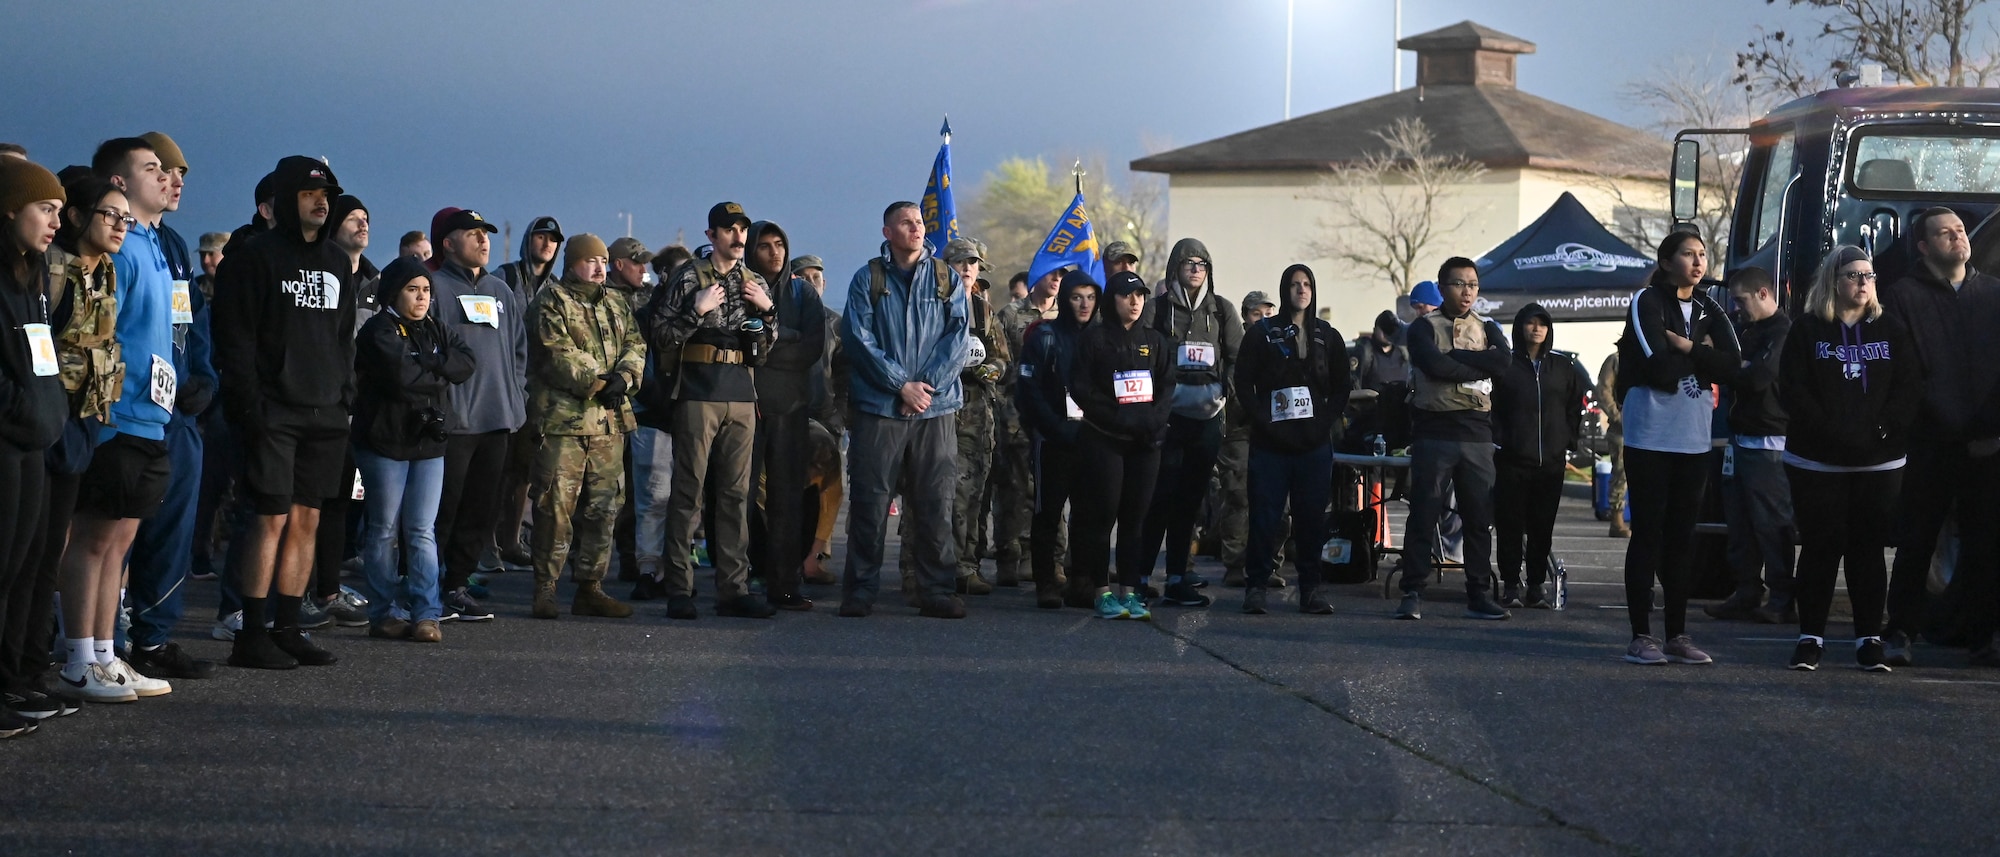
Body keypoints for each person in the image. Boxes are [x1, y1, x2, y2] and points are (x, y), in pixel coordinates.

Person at [210, 155, 357, 669]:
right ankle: (251, 633)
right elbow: (235, 342)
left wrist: (344, 396)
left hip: (325, 413)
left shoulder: (340, 262)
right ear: (286, 199)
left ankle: (289, 627)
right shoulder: (254, 258)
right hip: (272, 413)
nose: (321, 202)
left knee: (307, 519)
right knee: (268, 520)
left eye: (327, 195)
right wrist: (250, 408)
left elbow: (343, 340)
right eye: (310, 194)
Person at [1777, 246, 1920, 671]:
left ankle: (1868, 640)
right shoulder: (1807, 331)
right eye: (1854, 275)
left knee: (1868, 551)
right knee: (1820, 548)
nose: (1863, 283)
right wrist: (1830, 430)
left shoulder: (1891, 330)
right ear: (1833, 282)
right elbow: (1793, 390)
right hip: (1817, 461)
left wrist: (1883, 428)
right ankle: (1810, 639)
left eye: (1869, 275)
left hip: (1878, 462)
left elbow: (1908, 388)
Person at [836, 201, 969, 619]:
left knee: (934, 503)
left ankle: (937, 590)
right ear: (887, 231)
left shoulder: (946, 278)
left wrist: (925, 388)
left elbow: (958, 336)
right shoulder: (868, 279)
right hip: (880, 410)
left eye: (919, 222)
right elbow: (858, 340)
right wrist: (900, 385)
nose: (916, 229)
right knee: (870, 504)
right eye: (906, 223)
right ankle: (860, 591)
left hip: (935, 409)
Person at [1879, 207, 2000, 666]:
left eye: (1961, 230)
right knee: (1918, 540)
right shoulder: (1903, 297)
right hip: (1931, 442)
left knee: (1987, 541)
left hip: (1990, 446)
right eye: (1944, 233)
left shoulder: (1993, 294)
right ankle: (1900, 631)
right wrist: (1951, 429)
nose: (1958, 237)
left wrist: (1990, 431)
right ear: (1924, 246)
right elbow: (1907, 373)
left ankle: (1984, 635)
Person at [1613, 231, 1741, 665]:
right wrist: (1702, 354)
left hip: (1693, 437)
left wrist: (1686, 345)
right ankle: (1640, 636)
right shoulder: (1647, 301)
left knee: (1682, 538)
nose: (1698, 261)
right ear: (1667, 261)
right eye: (1688, 254)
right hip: (1651, 433)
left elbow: (1734, 365)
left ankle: (1678, 635)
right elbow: (1659, 369)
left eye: (1702, 254)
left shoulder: (1710, 305)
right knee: (1649, 532)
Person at [645, 203, 778, 620]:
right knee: (688, 491)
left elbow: (766, 347)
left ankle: (732, 588)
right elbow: (662, 336)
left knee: (737, 495)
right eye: (728, 229)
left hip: (740, 391)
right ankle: (679, 587)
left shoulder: (753, 280)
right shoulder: (689, 276)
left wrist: (768, 310)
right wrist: (695, 310)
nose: (738, 236)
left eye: (742, 229)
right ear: (711, 234)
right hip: (699, 390)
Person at [351, 257, 474, 642]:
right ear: (393, 292)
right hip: (384, 440)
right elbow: (402, 376)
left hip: (428, 442)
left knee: (422, 530)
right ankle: (384, 612)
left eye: (425, 290)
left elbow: (466, 363)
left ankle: (426, 614)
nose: (421, 297)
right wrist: (436, 368)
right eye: (412, 289)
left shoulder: (437, 327)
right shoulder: (377, 329)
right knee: (384, 529)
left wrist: (428, 362)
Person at [526, 234, 646, 620]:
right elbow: (557, 355)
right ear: (572, 263)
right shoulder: (551, 301)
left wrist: (624, 379)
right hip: (564, 422)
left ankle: (591, 586)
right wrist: (601, 381)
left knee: (605, 507)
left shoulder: (616, 302)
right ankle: (545, 586)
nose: (598, 267)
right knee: (554, 507)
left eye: (603, 260)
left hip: (609, 422)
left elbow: (636, 345)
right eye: (589, 260)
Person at [0, 161, 75, 721]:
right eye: (44, 209)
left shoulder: (32, 274)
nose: (55, 221)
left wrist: (47, 411)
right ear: (10, 208)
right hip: (9, 437)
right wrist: (23, 409)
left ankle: (9, 681)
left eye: (57, 211)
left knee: (20, 565)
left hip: (34, 440)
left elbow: (40, 357)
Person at [1396, 257, 1511, 621]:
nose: (1467, 292)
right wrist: (1478, 362)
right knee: (1424, 514)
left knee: (1478, 518)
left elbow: (1504, 362)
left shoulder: (1488, 327)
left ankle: (1478, 593)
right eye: (1459, 284)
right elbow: (1435, 366)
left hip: (1477, 435)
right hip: (1435, 431)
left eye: (1473, 285)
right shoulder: (1422, 328)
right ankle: (1412, 591)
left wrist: (1459, 356)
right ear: (1443, 287)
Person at [428, 207, 525, 623]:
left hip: (497, 419)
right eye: (472, 234)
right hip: (454, 421)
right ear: (448, 243)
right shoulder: (432, 286)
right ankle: (427, 586)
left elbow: (518, 351)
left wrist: (514, 398)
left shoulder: (500, 291)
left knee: (481, 510)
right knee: (443, 509)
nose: (483, 240)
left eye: (485, 233)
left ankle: (457, 585)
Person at [1235, 265, 1349, 615]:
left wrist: (1323, 424)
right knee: (1265, 518)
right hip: (1271, 443)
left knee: (1311, 519)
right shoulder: (1262, 334)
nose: (1301, 290)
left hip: (1313, 443)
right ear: (1284, 290)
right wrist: (1263, 421)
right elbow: (1243, 383)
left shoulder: (1327, 336)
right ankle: (1256, 586)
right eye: (1295, 284)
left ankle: (1311, 589)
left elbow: (1343, 387)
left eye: (1307, 284)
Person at [1136, 238, 1243, 608]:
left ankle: (1178, 578)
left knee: (1190, 503)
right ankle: (1141, 577)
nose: (1196, 269)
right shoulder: (1156, 308)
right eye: (1188, 263)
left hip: (1207, 419)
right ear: (1175, 268)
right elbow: (1140, 352)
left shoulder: (1223, 310)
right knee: (1158, 498)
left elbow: (1236, 358)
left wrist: (1222, 392)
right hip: (1167, 419)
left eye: (1202, 263)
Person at [1066, 271, 1173, 619]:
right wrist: (1117, 417)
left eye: (1140, 295)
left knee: (1135, 520)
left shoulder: (1156, 341)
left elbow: (1167, 388)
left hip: (1146, 443)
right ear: (1112, 300)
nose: (1135, 301)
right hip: (1105, 440)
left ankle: (1130, 590)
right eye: (1127, 295)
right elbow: (1081, 387)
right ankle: (1102, 591)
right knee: (1103, 516)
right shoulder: (1095, 339)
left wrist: (1153, 422)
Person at [1706, 267, 1797, 623]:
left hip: (1768, 440)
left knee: (1772, 524)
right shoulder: (1747, 330)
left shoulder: (1783, 332)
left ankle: (1780, 597)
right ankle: (1747, 590)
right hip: (1741, 437)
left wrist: (1732, 366)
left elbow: (1758, 378)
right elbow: (1738, 371)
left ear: (1763, 294)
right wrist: (1737, 366)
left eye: (1741, 300)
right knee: (1741, 522)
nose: (1736, 308)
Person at [743, 220, 825, 612]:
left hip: (791, 408)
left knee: (787, 501)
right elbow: (742, 347)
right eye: (764, 246)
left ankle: (784, 583)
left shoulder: (803, 293)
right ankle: (739, 580)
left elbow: (811, 348)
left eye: (779, 244)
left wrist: (772, 343)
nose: (774, 252)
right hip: (746, 407)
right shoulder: (741, 288)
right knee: (736, 498)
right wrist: (784, 336)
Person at [1491, 303, 1582, 609]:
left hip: (1551, 464)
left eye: (1542, 323)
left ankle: (1535, 586)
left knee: (1542, 528)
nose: (1537, 328)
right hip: (1512, 461)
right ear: (1520, 327)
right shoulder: (1504, 366)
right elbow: (1493, 407)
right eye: (1530, 323)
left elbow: (1574, 407)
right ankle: (1511, 586)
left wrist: (1568, 441)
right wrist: (1500, 440)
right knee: (1510, 526)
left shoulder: (1563, 367)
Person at [1016, 269, 1097, 609]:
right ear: (1065, 298)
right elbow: (1028, 390)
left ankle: (1081, 579)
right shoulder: (1045, 335)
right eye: (1077, 297)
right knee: (1048, 513)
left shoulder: (1101, 337)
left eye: (1091, 297)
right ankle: (1046, 581)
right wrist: (1052, 427)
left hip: (1092, 439)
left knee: (1088, 513)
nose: (1084, 304)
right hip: (1052, 438)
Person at [490, 215, 564, 570]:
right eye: (541, 236)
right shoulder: (503, 277)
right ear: (528, 239)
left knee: (523, 470)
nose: (547, 244)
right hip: (504, 385)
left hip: (539, 392)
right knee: (495, 467)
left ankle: (511, 540)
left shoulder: (557, 287)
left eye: (553, 239)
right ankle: (486, 542)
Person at [993, 266, 1065, 592]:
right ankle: (1009, 556)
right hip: (1015, 412)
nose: (1056, 280)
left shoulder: (1067, 315)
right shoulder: (1010, 315)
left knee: (1050, 490)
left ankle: (1050, 561)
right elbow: (999, 362)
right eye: (1052, 272)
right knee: (1013, 488)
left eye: (1062, 275)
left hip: (1054, 414)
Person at [942, 238, 1006, 595]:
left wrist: (991, 369)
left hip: (978, 414)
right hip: (942, 410)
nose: (968, 270)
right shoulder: (932, 305)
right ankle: (938, 566)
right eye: (960, 263)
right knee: (943, 492)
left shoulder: (983, 311)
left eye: (973, 264)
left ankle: (968, 565)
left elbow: (1002, 357)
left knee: (974, 494)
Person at [1218, 290, 1277, 588]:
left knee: (1275, 502)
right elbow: (1233, 395)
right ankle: (1235, 564)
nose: (1264, 320)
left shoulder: (1279, 348)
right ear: (1245, 316)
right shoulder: (1236, 350)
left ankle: (1270, 563)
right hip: (1239, 432)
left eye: (1268, 314)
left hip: (1273, 433)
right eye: (1257, 314)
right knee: (1238, 496)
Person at [1597, 351, 1630, 537]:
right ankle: (1617, 519)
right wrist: (1618, 417)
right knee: (1621, 471)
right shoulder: (1617, 359)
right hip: (1622, 429)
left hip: (1649, 426)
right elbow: (1604, 389)